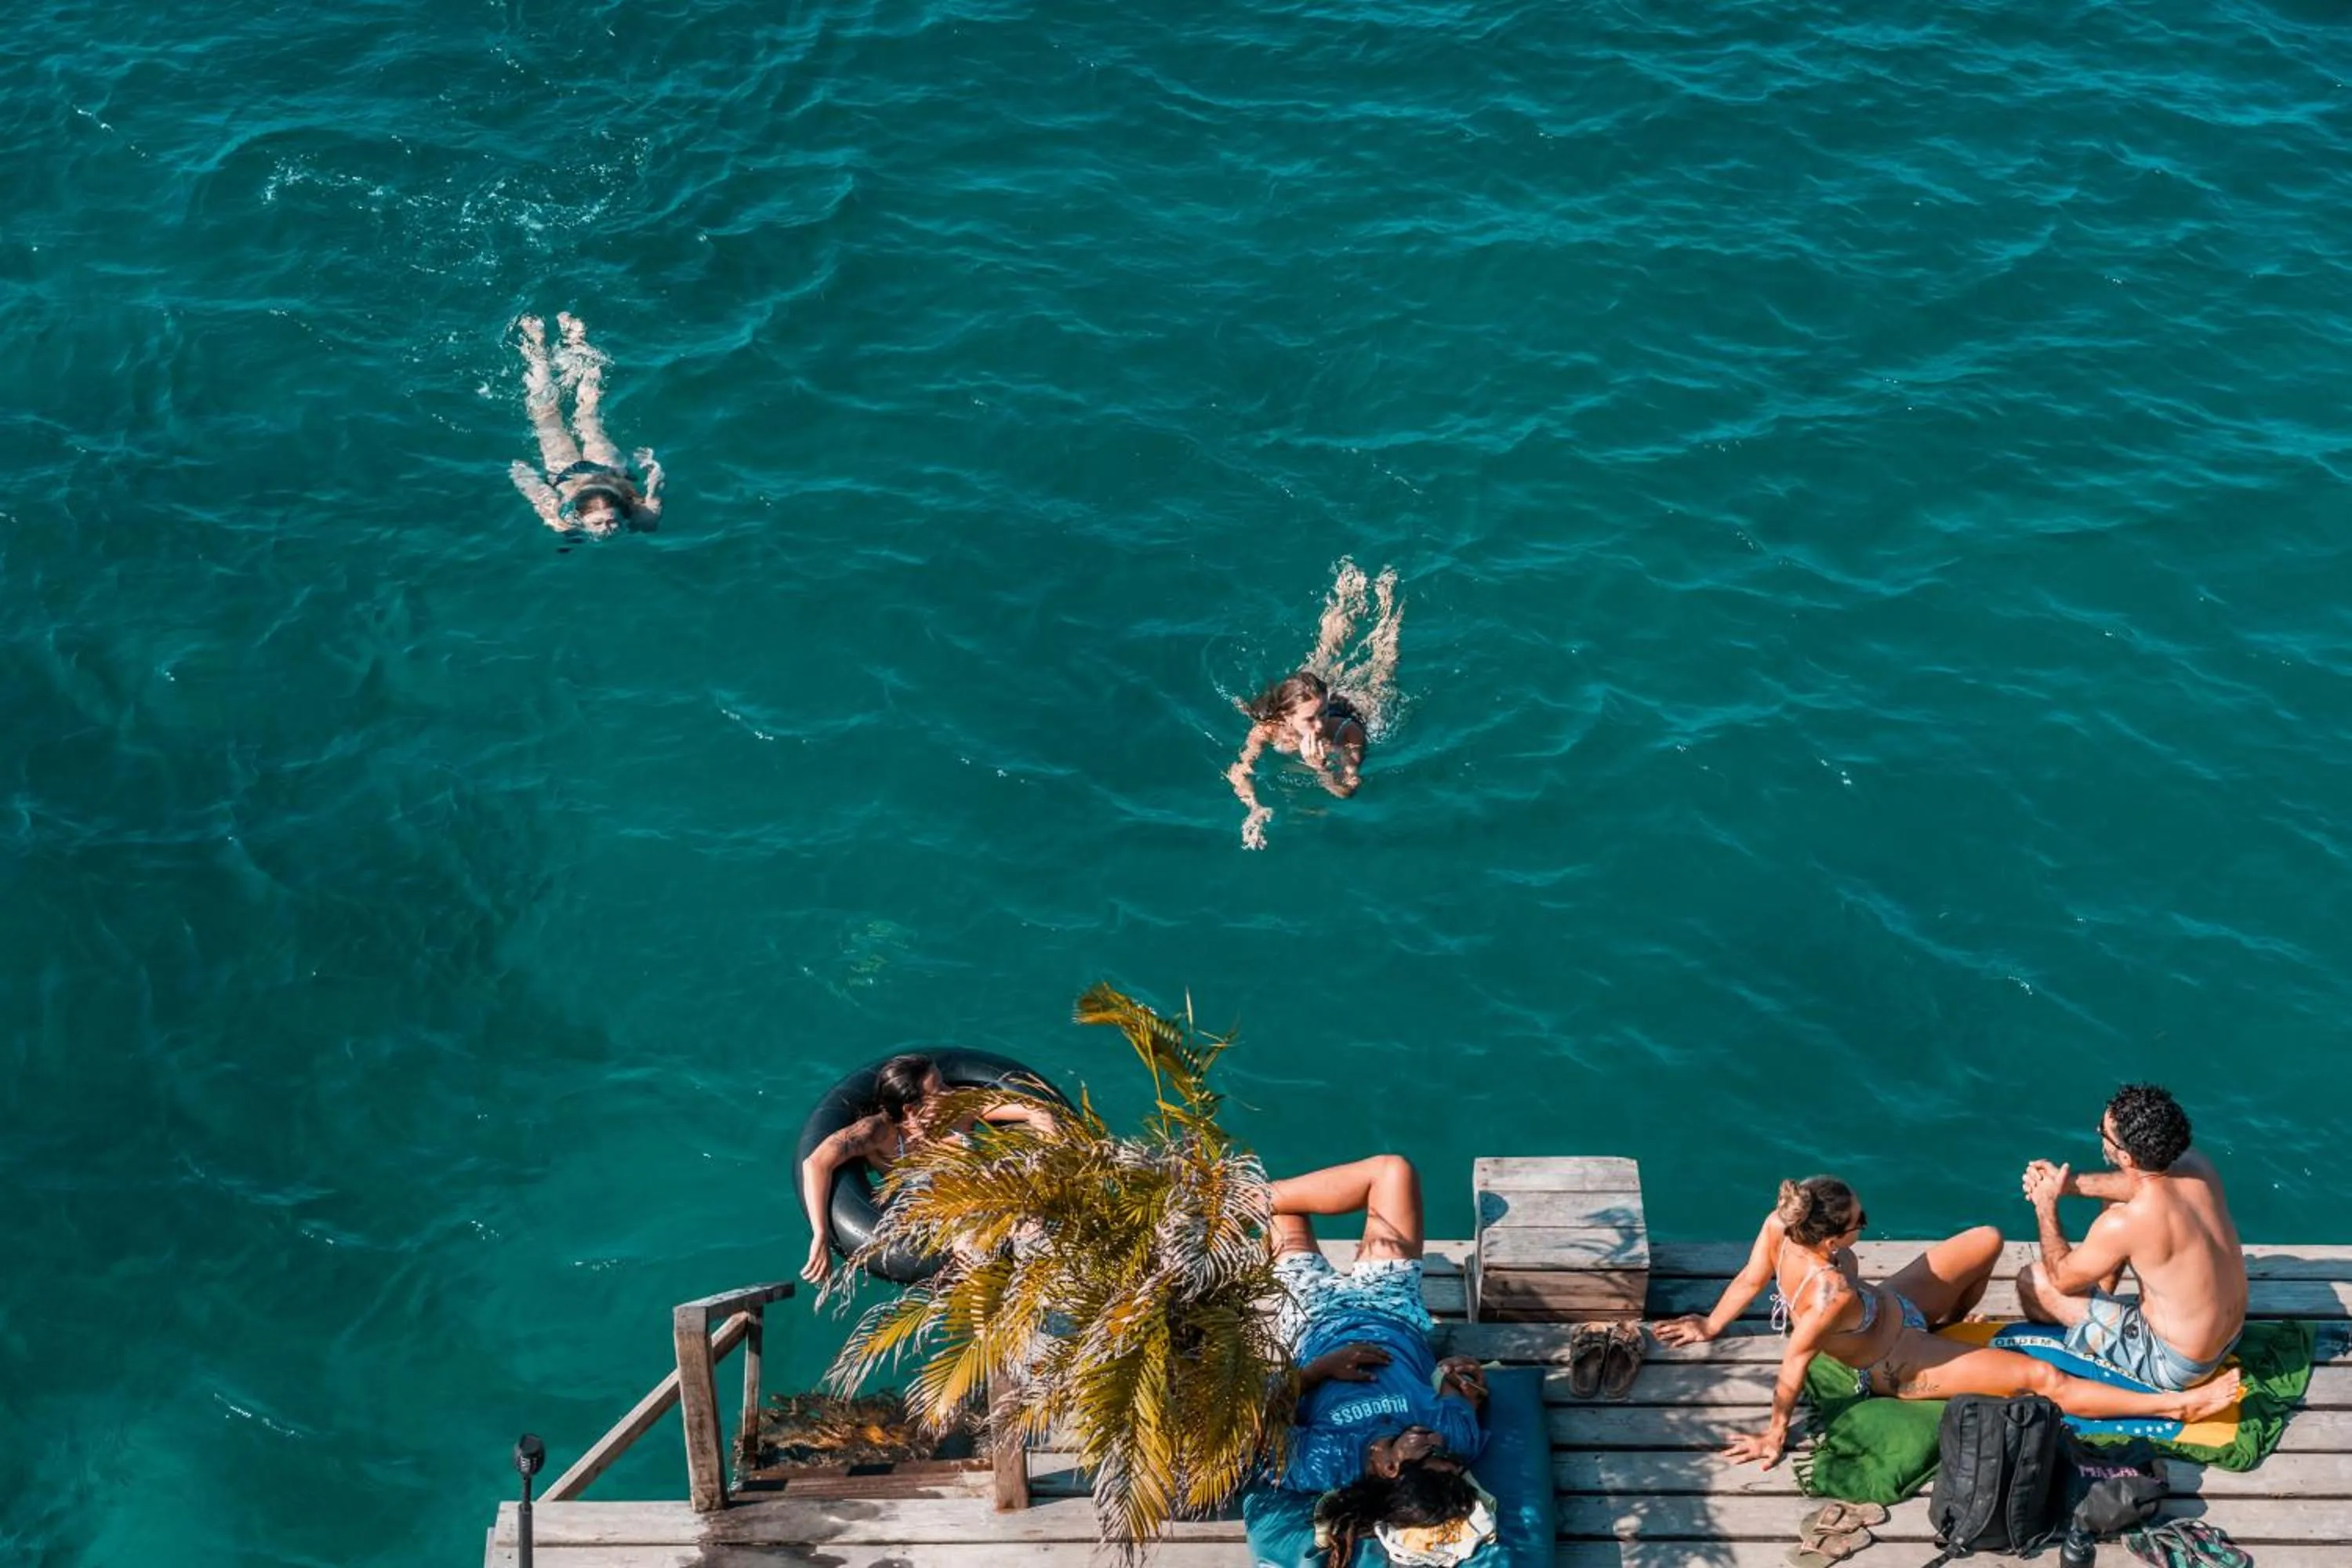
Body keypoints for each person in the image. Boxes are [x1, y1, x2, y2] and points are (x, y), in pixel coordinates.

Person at [1652, 1177, 2241, 1470]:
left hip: (1892, 1309)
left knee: (1985, 1240)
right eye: (1861, 1223)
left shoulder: (1784, 1223)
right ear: (1832, 1239)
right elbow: (1795, 1360)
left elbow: (1750, 1279)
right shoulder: (1827, 1292)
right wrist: (1774, 1435)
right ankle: (2176, 1408)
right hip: (1894, 1364)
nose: (1866, 1225)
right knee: (2040, 1377)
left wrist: (1710, 1323)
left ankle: (1954, 1329)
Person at [1265, 1152, 1490, 1548]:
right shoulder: (1456, 1442)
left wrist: (1318, 1371)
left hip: (1310, 1319)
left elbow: (1259, 1418)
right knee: (1393, 1170)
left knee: (1284, 1212)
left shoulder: (1321, 1462)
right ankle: (1240, 1198)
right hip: (1392, 1310)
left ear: (1389, 1468)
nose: (1440, 1443)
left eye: (1427, 1453)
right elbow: (1462, 1386)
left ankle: (1237, 1198)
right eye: (1453, 1464)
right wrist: (1461, 1373)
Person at [2016, 1083, 2248, 1392]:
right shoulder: (2198, 1165)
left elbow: (2060, 1279)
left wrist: (2046, 1205)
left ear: (2126, 1158)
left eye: (2102, 1130)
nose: (2099, 1132)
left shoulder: (2126, 1223)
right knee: (2115, 1197)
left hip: (2177, 1365)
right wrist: (2065, 1183)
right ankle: (2102, 1297)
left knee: (2033, 1281)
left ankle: (2094, 1320)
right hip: (2231, 1334)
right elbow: (2135, 1188)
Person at [796, 1053, 1056, 1285]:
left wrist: (1052, 1162)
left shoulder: (960, 1106)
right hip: (946, 1216)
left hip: (989, 1194)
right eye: (938, 1089)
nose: (949, 1090)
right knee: (976, 1256)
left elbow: (1037, 1110)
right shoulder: (879, 1132)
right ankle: (991, 1334)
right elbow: (816, 1163)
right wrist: (820, 1235)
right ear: (911, 1108)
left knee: (1033, 1226)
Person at [1229, 559, 1403, 849]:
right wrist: (1254, 809)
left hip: (1357, 706)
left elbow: (1348, 788)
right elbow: (1240, 770)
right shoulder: (1269, 729)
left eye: (1321, 715)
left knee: (1383, 663)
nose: (1320, 725)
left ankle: (1388, 605)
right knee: (1324, 654)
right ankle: (1350, 589)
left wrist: (1320, 768)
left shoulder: (1348, 734)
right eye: (1311, 719)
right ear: (1285, 717)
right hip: (1317, 699)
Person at [507, 312, 664, 538]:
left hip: (566, 476)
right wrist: (652, 468)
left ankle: (539, 350)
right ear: (581, 518)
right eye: (599, 523)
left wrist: (523, 474)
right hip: (608, 469)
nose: (608, 528)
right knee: (586, 417)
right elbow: (656, 489)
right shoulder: (644, 518)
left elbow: (537, 493)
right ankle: (573, 343)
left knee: (549, 415)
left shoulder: (561, 521)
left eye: (609, 521)